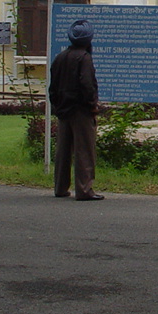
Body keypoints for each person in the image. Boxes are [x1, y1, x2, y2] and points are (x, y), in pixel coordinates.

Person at [49, 19, 103, 201]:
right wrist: (92, 104)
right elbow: (87, 85)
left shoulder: (60, 57)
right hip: (81, 110)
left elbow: (53, 87)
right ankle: (84, 189)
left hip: (64, 110)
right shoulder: (84, 58)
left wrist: (57, 105)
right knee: (84, 150)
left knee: (63, 150)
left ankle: (60, 187)